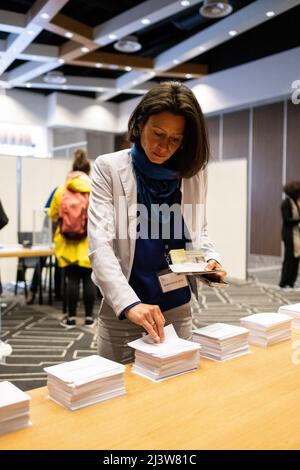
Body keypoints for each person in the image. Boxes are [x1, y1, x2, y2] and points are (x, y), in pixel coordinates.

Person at [88, 81, 226, 364]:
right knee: (119, 398)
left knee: (177, 393)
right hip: (128, 306)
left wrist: (210, 260)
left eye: (175, 140)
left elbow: (197, 229)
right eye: (158, 134)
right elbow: (100, 245)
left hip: (177, 303)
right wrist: (129, 304)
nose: (164, 147)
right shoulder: (110, 167)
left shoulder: (192, 172)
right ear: (140, 124)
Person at [49, 149, 96, 328]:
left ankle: (70, 318)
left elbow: (54, 215)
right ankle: (90, 317)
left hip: (67, 243)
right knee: (89, 280)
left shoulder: (61, 190)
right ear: (88, 171)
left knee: (72, 279)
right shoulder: (95, 190)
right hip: (89, 243)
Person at [279, 180, 300, 289]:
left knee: (296, 259)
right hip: (289, 235)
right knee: (289, 259)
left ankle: (291, 281)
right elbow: (287, 220)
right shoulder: (286, 203)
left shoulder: (297, 202)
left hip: (297, 235)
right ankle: (284, 282)